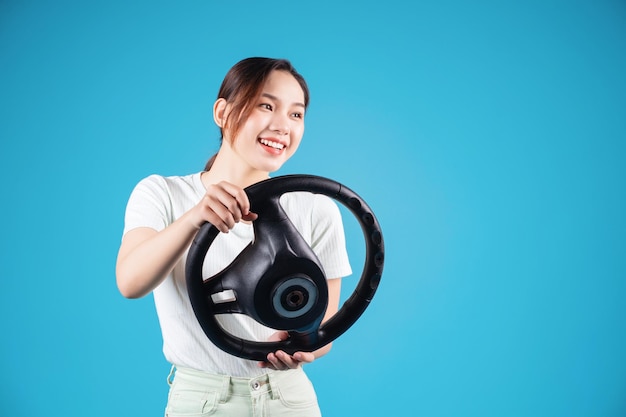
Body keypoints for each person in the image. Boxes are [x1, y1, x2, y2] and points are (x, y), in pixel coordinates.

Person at [116, 57, 352, 417]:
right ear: (222, 112)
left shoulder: (318, 209)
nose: (282, 126)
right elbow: (130, 282)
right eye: (266, 105)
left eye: (296, 114)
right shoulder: (161, 194)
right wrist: (196, 218)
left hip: (290, 400)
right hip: (202, 400)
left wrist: (303, 347)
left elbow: (323, 329)